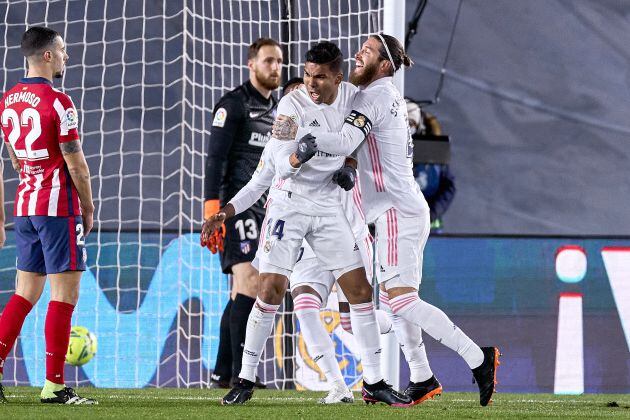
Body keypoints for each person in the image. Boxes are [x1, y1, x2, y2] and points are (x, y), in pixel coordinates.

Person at [272, 33, 500, 407]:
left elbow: (346, 140)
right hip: (388, 213)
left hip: (395, 213)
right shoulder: (377, 96)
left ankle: (479, 359)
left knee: (403, 302)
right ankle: (422, 375)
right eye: (359, 49)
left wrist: (301, 136)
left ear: (383, 66)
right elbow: (357, 147)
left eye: (367, 52)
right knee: (391, 305)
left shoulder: (375, 96)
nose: (359, 55)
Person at [203, 41, 411, 407]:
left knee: (360, 291)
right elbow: (277, 165)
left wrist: (348, 164)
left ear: (338, 77)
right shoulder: (291, 105)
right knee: (269, 289)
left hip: (330, 206)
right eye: (306, 75)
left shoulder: (353, 98)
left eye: (320, 77)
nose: (311, 84)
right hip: (290, 205)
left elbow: (359, 140)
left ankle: (375, 381)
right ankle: (245, 379)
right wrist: (300, 154)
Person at [0, 26, 96, 405]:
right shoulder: (59, 101)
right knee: (65, 295)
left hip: (25, 206)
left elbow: (12, 154)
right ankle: (54, 386)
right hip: (57, 209)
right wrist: (86, 206)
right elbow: (77, 164)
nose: (66, 57)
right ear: (47, 56)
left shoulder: (7, 100)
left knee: (25, 293)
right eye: (62, 51)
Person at [202, 38, 283, 388]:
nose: (275, 67)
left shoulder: (280, 111)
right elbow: (215, 159)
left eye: (279, 61)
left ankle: (222, 371)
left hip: (267, 210)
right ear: (251, 64)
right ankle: (240, 374)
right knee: (251, 281)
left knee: (240, 290)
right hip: (235, 208)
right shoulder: (233, 106)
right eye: (268, 61)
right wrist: (212, 209)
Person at [406, 99, 455, 233]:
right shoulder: (387, 149)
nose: (407, 127)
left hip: (431, 229)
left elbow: (449, 187)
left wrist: (432, 213)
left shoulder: (435, 152)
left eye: (411, 123)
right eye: (404, 122)